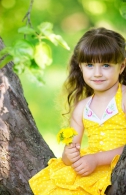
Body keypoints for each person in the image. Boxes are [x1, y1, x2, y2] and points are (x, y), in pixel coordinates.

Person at [29, 27, 126, 195]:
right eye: (89, 65)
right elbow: (69, 154)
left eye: (106, 65)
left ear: (121, 66)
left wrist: (96, 159)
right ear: (80, 67)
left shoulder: (124, 98)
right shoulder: (82, 108)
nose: (97, 73)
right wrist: (69, 155)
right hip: (92, 168)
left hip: (112, 168)